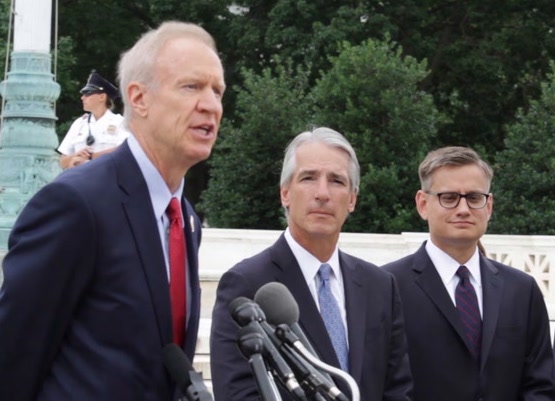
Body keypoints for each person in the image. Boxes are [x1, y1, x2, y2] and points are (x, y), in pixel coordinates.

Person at [0, 21, 225, 401]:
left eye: (218, 90)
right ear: (139, 99)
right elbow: (13, 356)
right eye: (191, 86)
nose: (210, 104)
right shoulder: (75, 204)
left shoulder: (185, 218)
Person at [210, 127, 413, 401]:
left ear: (352, 199)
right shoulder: (246, 284)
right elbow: (237, 393)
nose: (322, 193)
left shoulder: (380, 286)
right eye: (308, 178)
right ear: (285, 193)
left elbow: (397, 390)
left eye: (337, 181)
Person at [383, 146, 555, 401]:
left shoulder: (522, 290)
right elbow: (383, 385)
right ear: (422, 204)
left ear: (489, 206)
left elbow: (541, 386)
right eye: (449, 197)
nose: (463, 209)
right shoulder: (387, 287)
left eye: (474, 197)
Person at [57, 70, 129, 169]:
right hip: (81, 181)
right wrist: (77, 155)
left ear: (102, 97)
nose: (82, 98)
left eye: (87, 93)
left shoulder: (120, 123)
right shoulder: (79, 124)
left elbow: (125, 151)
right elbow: (62, 162)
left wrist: (91, 157)